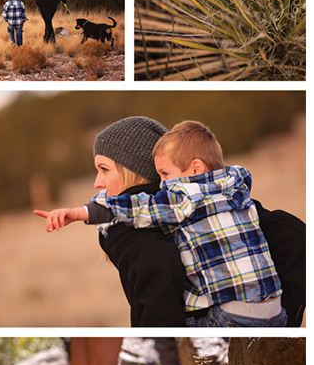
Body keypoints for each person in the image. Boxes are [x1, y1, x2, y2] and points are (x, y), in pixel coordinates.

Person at [38, 119, 297, 327]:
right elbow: (294, 235)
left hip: (225, 321)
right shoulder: (229, 192)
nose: (97, 182)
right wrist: (286, 317)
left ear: (134, 170)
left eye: (105, 169)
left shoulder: (153, 212)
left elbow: (157, 261)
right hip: (275, 316)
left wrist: (83, 212)